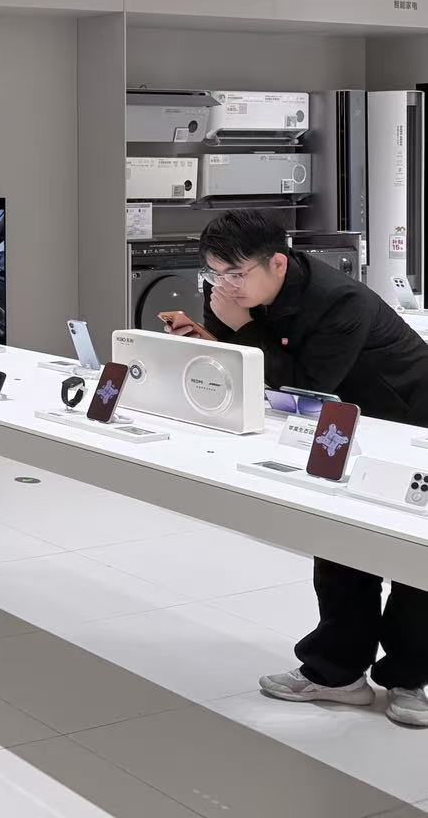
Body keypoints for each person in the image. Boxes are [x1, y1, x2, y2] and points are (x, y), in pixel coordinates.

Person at [160, 209, 428, 726]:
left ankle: (410, 677)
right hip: (344, 426)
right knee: (340, 545)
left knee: (411, 555)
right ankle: (336, 673)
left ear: (277, 263)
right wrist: (208, 335)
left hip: (408, 424)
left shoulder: (340, 301)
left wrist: (238, 327)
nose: (225, 286)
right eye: (215, 273)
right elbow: (253, 367)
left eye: (236, 274)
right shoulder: (245, 295)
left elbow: (305, 384)